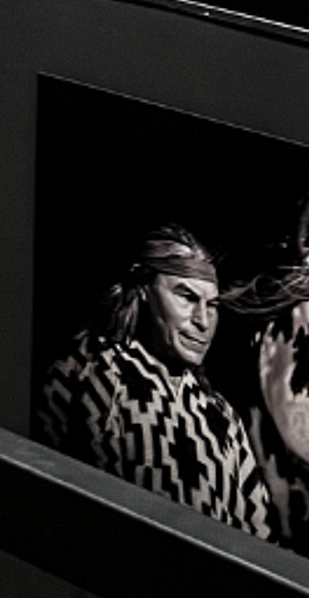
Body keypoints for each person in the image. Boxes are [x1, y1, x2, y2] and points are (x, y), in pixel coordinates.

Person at [38, 223, 274, 538]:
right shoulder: (92, 371)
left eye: (212, 306)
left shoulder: (221, 417)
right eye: (186, 297)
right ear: (144, 289)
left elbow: (257, 540)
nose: (203, 321)